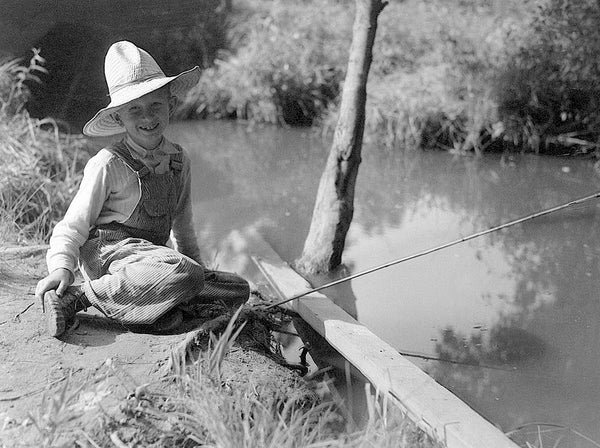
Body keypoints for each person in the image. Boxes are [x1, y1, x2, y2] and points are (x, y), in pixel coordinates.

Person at [34, 40, 250, 338]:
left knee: (237, 287)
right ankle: (79, 297)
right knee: (184, 274)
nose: (147, 118)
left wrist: (200, 276)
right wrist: (62, 269)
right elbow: (73, 226)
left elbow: (183, 228)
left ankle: (158, 306)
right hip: (110, 259)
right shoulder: (107, 164)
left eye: (155, 105)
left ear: (171, 105)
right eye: (134, 109)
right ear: (118, 117)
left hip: (154, 262)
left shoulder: (179, 160)